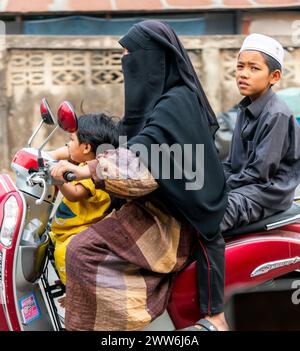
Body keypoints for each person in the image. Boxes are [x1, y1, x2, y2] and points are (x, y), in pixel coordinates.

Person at [51, 20, 228, 331]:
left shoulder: (175, 105)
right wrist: (67, 154)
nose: (126, 62)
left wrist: (88, 169)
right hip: (152, 207)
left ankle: (110, 325)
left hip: (172, 220)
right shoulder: (158, 101)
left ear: (155, 57)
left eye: (131, 54)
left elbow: (144, 160)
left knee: (81, 251)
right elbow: (126, 140)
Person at [221, 33, 300, 233]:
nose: (243, 74)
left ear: (274, 76)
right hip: (247, 187)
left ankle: (212, 265)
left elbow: (259, 174)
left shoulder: (277, 114)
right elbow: (232, 163)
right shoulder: (244, 109)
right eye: (240, 66)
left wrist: (218, 188)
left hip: (266, 194)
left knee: (210, 215)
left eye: (254, 68)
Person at [47, 113, 119, 286]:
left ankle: (74, 290)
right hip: (65, 229)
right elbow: (68, 152)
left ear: (86, 148)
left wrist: (58, 178)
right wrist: (48, 155)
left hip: (78, 231)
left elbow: (74, 193)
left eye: (71, 140)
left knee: (63, 252)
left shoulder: (93, 174)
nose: (67, 144)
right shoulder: (82, 163)